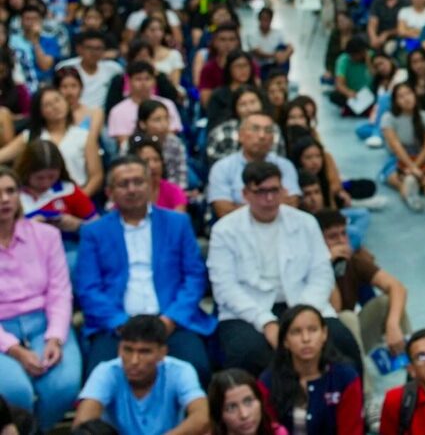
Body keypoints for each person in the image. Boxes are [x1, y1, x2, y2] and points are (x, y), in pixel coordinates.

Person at [207, 161, 363, 378]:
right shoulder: (224, 230)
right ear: (245, 194)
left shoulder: (306, 223)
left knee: (343, 343)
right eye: (261, 192)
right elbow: (225, 289)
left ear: (283, 190)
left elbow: (321, 274)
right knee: (247, 353)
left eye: (274, 190)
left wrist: (302, 318)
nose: (269, 198)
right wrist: (266, 322)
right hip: (247, 311)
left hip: (303, 303)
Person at [75, 155, 215, 385]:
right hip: (117, 325)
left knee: (196, 368)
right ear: (109, 192)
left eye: (138, 182)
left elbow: (194, 277)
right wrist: (120, 323)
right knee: (100, 377)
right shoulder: (94, 232)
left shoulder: (177, 223)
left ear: (150, 185)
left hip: (172, 321)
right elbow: (88, 289)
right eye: (123, 184)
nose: (132, 189)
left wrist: (170, 319)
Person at [0, 166, 82, 432]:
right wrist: (15, 350)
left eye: (10, 191)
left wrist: (55, 338)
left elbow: (59, 292)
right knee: (15, 390)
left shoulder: (47, 236)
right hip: (2, 331)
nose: (4, 199)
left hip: (45, 323)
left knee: (64, 384)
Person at [73, 314, 209, 434]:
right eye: (128, 350)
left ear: (162, 352)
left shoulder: (181, 371)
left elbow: (202, 417)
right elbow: (83, 423)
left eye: (145, 352)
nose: (134, 361)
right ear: (119, 349)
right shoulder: (106, 372)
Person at [316, 210, 411, 356]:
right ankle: (362, 378)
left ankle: (413, 368)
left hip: (353, 335)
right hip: (321, 339)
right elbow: (335, 308)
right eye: (333, 237)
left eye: (343, 234)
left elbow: (397, 287)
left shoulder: (352, 261)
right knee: (347, 317)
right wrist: (326, 265)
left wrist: (392, 325)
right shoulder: (311, 267)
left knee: (388, 302)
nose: (341, 241)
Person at [258, 304, 364, 435]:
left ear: (324, 334)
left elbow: (351, 431)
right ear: (285, 340)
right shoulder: (268, 381)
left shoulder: (346, 378)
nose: (306, 339)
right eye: (296, 332)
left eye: (313, 330)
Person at [207, 112, 301, 218]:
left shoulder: (285, 166)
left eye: (268, 130)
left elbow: (292, 205)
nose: (262, 136)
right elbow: (223, 210)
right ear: (240, 135)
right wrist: (267, 210)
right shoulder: (222, 168)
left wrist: (247, 208)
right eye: (255, 129)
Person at [381, 82, 425, 210]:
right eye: (401, 96)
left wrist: (416, 166)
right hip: (398, 158)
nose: (406, 98)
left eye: (408, 93)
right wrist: (411, 167)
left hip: (420, 157)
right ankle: (409, 192)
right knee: (394, 177)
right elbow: (396, 146)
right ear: (395, 101)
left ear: (415, 95)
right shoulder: (388, 118)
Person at [106, 60, 183, 145]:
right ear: (129, 82)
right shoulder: (118, 111)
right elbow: (124, 142)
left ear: (154, 81)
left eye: (147, 79)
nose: (143, 83)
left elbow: (171, 135)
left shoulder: (168, 104)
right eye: (138, 79)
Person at [55, 29, 123, 110]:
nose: (94, 52)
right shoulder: (65, 67)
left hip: (99, 117)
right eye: (89, 48)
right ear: (79, 49)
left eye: (98, 48)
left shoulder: (113, 68)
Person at [208, 368, 287, 435]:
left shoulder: (277, 432)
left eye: (248, 402)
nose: (244, 414)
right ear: (219, 415)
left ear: (260, 401)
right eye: (231, 408)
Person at [132, 138, 188, 212]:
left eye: (156, 160)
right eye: (146, 161)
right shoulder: (129, 193)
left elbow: (179, 221)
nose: (152, 166)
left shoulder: (174, 191)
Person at [246, 8, 294, 80]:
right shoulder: (252, 35)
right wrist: (275, 55)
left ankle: (283, 77)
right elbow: (258, 53)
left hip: (276, 64)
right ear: (259, 19)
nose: (265, 21)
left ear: (271, 19)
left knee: (282, 48)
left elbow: (290, 47)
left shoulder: (278, 33)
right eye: (263, 18)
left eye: (267, 19)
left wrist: (284, 55)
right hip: (261, 66)